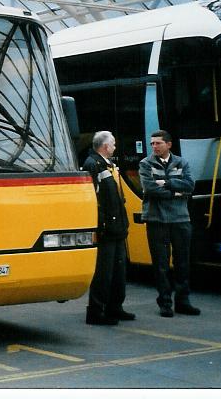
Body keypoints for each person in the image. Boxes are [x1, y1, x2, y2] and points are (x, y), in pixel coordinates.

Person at [139, 129, 200, 318]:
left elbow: (190, 185)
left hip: (180, 219)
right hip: (156, 220)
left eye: (158, 143)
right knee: (161, 264)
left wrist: (165, 183)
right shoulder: (145, 163)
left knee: (182, 263)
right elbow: (149, 188)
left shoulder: (181, 162)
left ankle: (183, 301)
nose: (154, 147)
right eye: (152, 144)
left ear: (169, 144)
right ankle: (165, 303)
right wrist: (175, 189)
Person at [83, 131, 133, 325]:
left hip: (117, 227)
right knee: (104, 272)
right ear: (104, 146)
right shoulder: (93, 165)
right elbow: (94, 199)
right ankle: (96, 311)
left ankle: (115, 307)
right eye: (112, 144)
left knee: (119, 271)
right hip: (106, 229)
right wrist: (100, 225)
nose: (114, 147)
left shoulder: (109, 165)